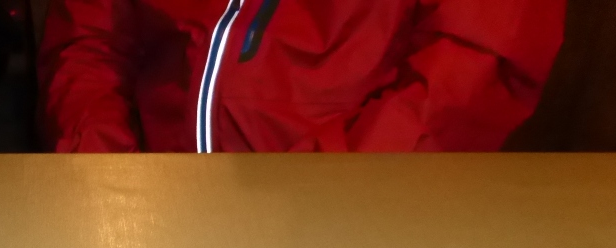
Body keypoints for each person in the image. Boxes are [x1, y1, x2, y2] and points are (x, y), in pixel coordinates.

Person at [38, 0, 565, 152]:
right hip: (153, 199)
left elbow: (458, 88)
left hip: (350, 220)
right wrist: (107, 173)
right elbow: (91, 37)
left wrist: (315, 199)